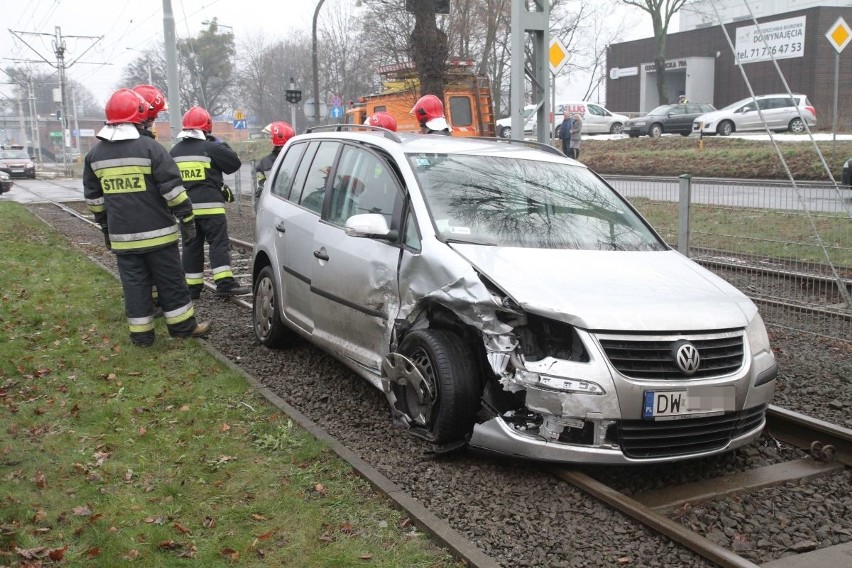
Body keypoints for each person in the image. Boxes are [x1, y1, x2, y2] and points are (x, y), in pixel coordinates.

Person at [82, 88, 210, 346]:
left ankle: (141, 338)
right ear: (138, 116)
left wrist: (106, 227)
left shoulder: (94, 156)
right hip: (158, 235)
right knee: (171, 282)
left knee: (135, 286)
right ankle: (184, 329)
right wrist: (186, 218)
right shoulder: (150, 148)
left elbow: (94, 200)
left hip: (122, 239)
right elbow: (173, 191)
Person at [170, 106, 249, 299]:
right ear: (207, 127)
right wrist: (220, 144)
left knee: (191, 246)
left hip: (185, 208)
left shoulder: (174, 152)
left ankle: (192, 288)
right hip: (211, 208)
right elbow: (234, 164)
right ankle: (224, 284)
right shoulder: (211, 148)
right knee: (218, 244)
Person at [254, 121, 295, 201]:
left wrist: (263, 187)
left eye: (271, 138)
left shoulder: (266, 162)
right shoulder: (301, 158)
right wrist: (263, 186)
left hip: (274, 203)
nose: (270, 141)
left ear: (278, 138)